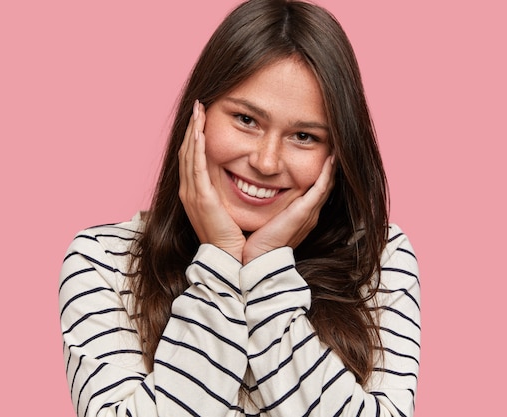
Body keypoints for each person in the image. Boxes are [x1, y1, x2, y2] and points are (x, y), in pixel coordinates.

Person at [59, 0, 421, 416]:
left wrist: (267, 268)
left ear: (336, 155)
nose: (266, 162)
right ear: (199, 115)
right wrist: (222, 261)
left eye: (304, 136)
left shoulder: (379, 259)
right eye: (246, 120)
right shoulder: (105, 261)